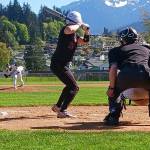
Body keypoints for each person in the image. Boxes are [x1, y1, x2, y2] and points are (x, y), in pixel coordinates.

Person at [104, 27, 150, 125]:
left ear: (122, 39)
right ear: (136, 38)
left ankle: (113, 116)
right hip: (146, 74)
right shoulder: (146, 49)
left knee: (114, 90)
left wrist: (112, 88)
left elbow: (113, 68)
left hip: (126, 75)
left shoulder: (115, 50)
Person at [50, 11, 90, 118]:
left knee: (70, 86)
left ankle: (58, 106)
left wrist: (86, 31)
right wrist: (79, 24)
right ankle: (63, 111)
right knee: (74, 87)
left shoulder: (75, 35)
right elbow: (69, 29)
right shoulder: (65, 30)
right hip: (58, 64)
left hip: (62, 64)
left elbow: (85, 41)